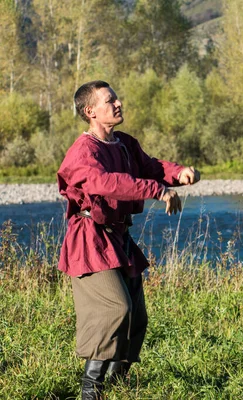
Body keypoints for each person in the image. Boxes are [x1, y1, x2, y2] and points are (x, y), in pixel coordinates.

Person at [57, 80, 200, 400]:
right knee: (115, 309)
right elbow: (106, 183)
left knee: (136, 314)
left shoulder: (122, 143)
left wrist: (176, 173)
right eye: (110, 101)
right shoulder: (83, 151)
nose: (118, 103)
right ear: (90, 111)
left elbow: (149, 167)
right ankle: (90, 389)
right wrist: (157, 190)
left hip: (118, 237)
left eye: (117, 98)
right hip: (89, 239)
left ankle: (117, 383)